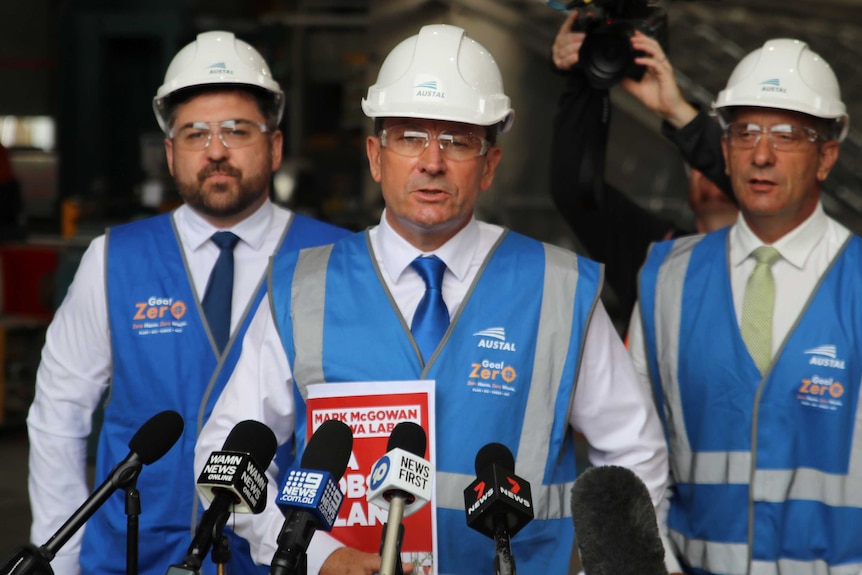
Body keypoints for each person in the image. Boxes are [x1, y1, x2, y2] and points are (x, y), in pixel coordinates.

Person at [196, 23, 670, 575]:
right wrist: (320, 555)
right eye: (410, 135)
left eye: (458, 139)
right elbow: (221, 460)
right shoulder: (303, 287)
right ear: (375, 156)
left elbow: (636, 455)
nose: (432, 161)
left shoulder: (558, 288)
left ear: (490, 164)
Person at [26, 30, 350, 575]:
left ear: (274, 146)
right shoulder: (114, 260)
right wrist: (61, 560)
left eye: (236, 130)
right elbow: (60, 417)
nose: (216, 150)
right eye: (195, 133)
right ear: (171, 154)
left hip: (284, 560)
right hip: (133, 555)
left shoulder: (337, 260)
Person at [629, 38, 858, 574]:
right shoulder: (668, 278)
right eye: (744, 132)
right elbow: (636, 452)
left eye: (785, 135)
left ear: (827, 155)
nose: (761, 153)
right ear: (725, 147)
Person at [550, 10, 737, 332]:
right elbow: (574, 189)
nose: (703, 169)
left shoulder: (783, 253)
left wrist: (679, 114)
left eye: (725, 146)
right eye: (696, 160)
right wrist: (585, 74)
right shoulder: (656, 252)